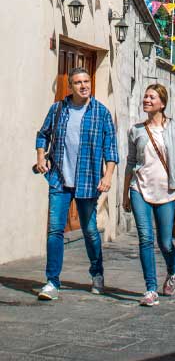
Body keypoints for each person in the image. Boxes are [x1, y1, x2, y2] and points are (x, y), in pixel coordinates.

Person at [35, 67, 119, 300]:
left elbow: (111, 148)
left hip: (89, 180)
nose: (83, 86)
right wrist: (41, 157)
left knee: (90, 230)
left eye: (86, 81)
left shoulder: (101, 112)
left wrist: (108, 176)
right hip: (59, 179)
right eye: (78, 82)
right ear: (70, 86)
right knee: (54, 230)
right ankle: (52, 282)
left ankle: (97, 273)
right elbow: (43, 134)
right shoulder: (58, 109)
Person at [123, 84, 175, 305]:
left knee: (165, 242)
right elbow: (130, 163)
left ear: (162, 103)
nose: (146, 100)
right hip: (139, 188)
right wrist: (125, 194)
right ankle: (150, 289)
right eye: (145, 96)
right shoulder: (136, 130)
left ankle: (172, 269)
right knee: (145, 237)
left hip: (167, 193)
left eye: (152, 97)